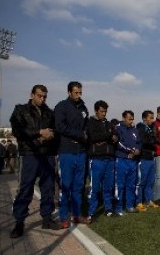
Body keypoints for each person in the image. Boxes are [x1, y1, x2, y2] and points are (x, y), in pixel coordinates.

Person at [9, 84, 61, 238]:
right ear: (32, 95)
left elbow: (55, 131)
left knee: (48, 188)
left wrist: (51, 136)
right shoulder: (21, 111)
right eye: (39, 95)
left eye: (45, 96)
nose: (42, 98)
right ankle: (19, 222)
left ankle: (47, 218)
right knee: (26, 189)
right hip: (30, 154)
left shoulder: (49, 113)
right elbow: (18, 131)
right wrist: (39, 133)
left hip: (48, 154)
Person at [54, 81, 89, 228]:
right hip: (66, 151)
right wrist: (80, 135)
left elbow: (86, 127)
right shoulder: (61, 106)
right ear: (69, 92)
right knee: (66, 186)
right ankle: (63, 216)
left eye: (80, 92)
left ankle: (76, 215)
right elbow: (60, 127)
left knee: (79, 186)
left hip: (81, 152)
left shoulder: (83, 108)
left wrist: (86, 135)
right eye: (76, 92)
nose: (78, 95)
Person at [86, 100, 117, 222]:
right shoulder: (91, 122)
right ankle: (91, 212)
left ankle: (108, 209)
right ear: (96, 111)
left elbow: (115, 136)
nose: (104, 114)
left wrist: (111, 136)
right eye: (102, 111)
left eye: (105, 111)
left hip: (109, 159)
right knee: (94, 188)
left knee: (108, 186)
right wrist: (108, 136)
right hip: (96, 159)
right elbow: (93, 137)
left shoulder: (109, 124)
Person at [114, 110, 141, 216]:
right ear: (124, 118)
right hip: (122, 160)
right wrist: (130, 150)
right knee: (120, 185)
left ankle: (129, 206)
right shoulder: (118, 128)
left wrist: (137, 150)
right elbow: (118, 143)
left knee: (131, 185)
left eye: (132, 119)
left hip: (132, 161)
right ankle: (118, 208)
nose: (131, 121)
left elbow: (139, 143)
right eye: (129, 119)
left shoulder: (135, 130)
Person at [136, 110, 160, 210]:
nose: (152, 120)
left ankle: (148, 200)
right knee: (142, 181)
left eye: (153, 117)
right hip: (143, 158)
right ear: (144, 118)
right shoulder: (140, 127)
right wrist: (153, 145)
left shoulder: (150, 129)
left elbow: (152, 140)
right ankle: (139, 202)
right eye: (150, 117)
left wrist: (152, 144)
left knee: (150, 181)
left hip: (150, 158)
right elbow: (145, 141)